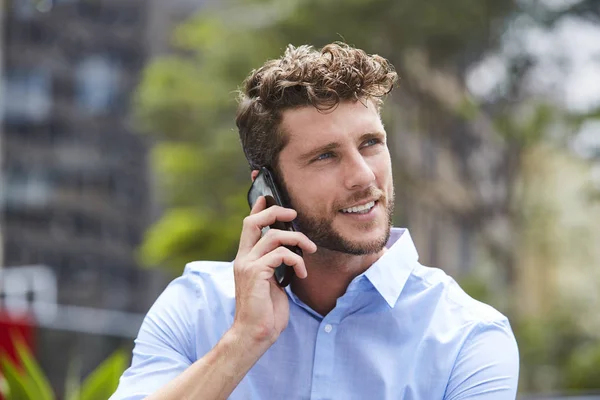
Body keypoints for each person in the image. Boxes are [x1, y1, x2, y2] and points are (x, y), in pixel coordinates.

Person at [110, 42, 519, 400]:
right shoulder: (193, 307)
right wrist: (242, 342)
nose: (362, 176)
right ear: (268, 188)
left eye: (370, 144)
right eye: (325, 155)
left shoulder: (470, 338)